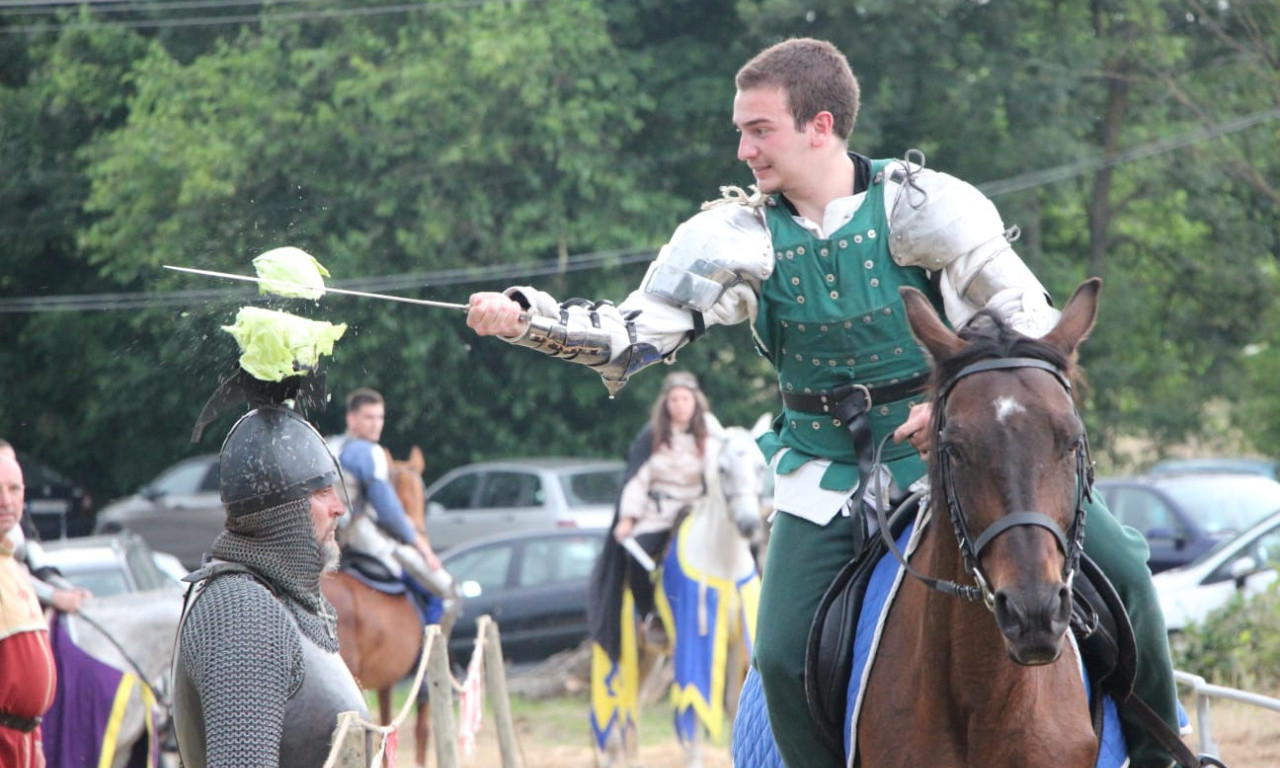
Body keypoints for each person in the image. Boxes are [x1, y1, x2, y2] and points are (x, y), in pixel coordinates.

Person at [465, 37, 1180, 768]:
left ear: (821, 124)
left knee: (1123, 563)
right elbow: (636, 331)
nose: (744, 149)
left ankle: (1164, 754)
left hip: (957, 461)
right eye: (740, 131)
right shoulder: (731, 237)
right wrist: (530, 318)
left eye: (759, 129)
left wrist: (954, 396)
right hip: (821, 476)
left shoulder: (926, 208)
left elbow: (1029, 321)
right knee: (777, 656)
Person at [171, 405, 369, 768]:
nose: (339, 507)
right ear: (283, 507)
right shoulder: (242, 612)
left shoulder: (278, 600)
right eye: (323, 492)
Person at [327, 388, 459, 631]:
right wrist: (423, 548)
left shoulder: (329, 446)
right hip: (360, 537)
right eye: (369, 417)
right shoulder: (370, 452)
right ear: (351, 419)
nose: (377, 424)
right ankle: (431, 661)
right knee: (446, 589)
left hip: (323, 539)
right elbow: (388, 511)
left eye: (380, 417)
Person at [613, 370, 720, 646]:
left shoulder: (708, 436)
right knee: (636, 555)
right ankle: (649, 614)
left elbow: (717, 476)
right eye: (674, 399)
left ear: (695, 402)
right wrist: (627, 518)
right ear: (666, 404)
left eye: (685, 399)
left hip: (695, 511)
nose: (680, 405)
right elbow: (638, 480)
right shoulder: (654, 437)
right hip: (659, 514)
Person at [0, 454, 57, 768]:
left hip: (22, 741)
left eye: (14, 489)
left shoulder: (10, 563)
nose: (6, 501)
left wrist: (33, 740)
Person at [0, 440, 91, 615]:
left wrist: (69, 589)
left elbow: (40, 567)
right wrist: (53, 596)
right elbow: (8, 575)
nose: (6, 501)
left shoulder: (20, 516)